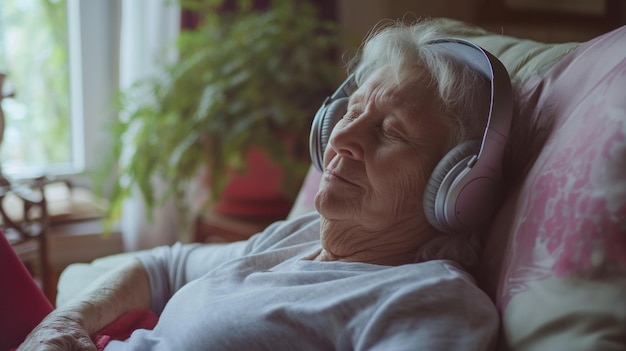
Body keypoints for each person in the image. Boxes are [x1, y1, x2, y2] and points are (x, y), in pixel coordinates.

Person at [16, 18, 507, 350]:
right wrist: (67, 322)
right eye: (352, 112)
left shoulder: (430, 299)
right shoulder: (297, 238)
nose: (344, 137)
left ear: (456, 184)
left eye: (391, 131)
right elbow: (163, 266)